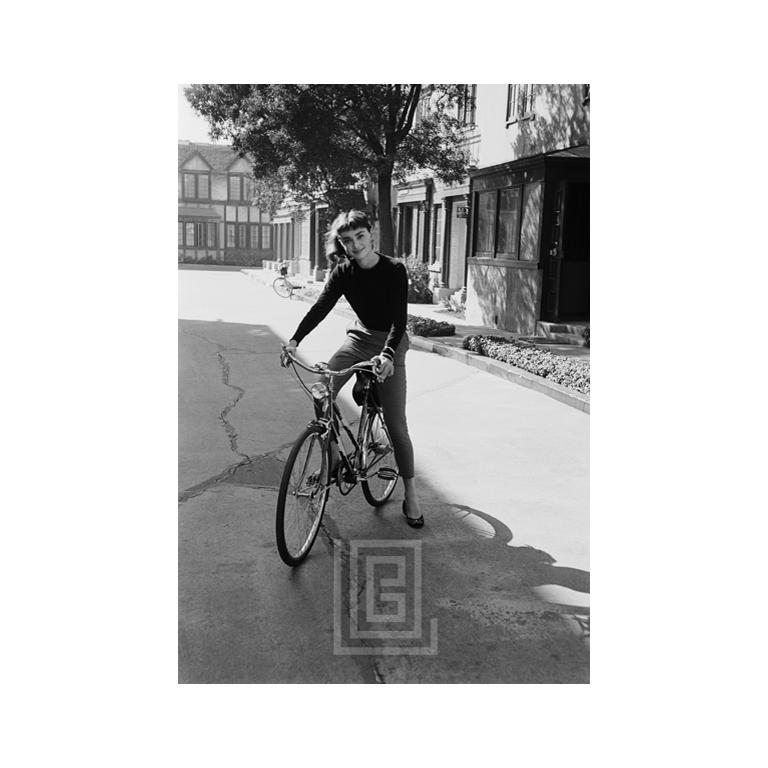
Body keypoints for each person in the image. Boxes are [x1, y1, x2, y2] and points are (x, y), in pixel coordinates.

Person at [285, 210, 423, 527]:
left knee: (396, 423)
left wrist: (388, 355)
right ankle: (333, 456)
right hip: (359, 340)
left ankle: (411, 493)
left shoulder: (394, 270)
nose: (355, 245)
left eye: (360, 236)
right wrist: (294, 340)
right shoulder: (343, 272)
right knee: (321, 390)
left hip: (391, 343)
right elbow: (321, 307)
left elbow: (399, 321)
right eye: (348, 240)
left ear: (371, 234)